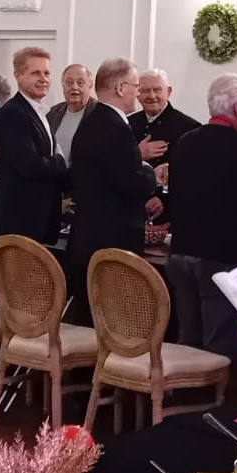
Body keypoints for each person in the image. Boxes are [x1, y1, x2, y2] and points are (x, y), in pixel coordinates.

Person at [166, 74, 237, 367]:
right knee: (219, 346)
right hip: (222, 258)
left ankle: (184, 388)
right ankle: (214, 395)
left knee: (187, 340)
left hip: (181, 254)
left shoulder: (185, 142)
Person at [66, 58, 161, 325]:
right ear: (120, 88)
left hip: (88, 238)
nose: (138, 94)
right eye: (136, 86)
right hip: (111, 242)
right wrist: (151, 174)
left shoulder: (92, 120)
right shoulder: (114, 126)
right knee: (111, 322)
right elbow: (129, 185)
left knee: (89, 321)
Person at [0, 46, 67, 243]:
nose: (43, 79)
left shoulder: (39, 112)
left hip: (38, 221)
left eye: (47, 73)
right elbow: (31, 167)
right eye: (35, 73)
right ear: (18, 75)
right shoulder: (13, 114)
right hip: (19, 221)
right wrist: (60, 161)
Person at [128, 68, 199, 168]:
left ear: (168, 91)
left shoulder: (189, 128)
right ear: (137, 94)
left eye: (157, 90)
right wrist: (137, 154)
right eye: (145, 91)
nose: (152, 96)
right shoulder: (127, 124)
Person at [47, 63, 94, 165]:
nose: (74, 87)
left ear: (90, 85)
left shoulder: (99, 114)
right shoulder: (53, 113)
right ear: (63, 85)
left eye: (80, 82)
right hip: (55, 173)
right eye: (69, 82)